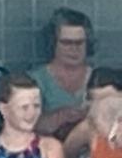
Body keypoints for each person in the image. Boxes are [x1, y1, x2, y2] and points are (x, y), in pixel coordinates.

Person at [30, 8, 95, 139]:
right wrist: (60, 117)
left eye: (79, 43)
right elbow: (23, 124)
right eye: (66, 43)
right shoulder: (34, 81)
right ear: (53, 43)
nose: (74, 49)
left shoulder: (100, 79)